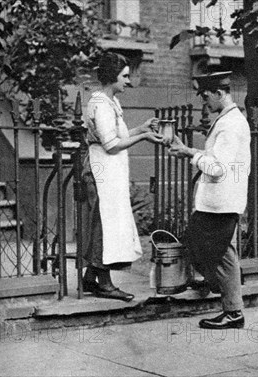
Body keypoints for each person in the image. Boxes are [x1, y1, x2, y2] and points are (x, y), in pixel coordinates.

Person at [168, 71, 251, 329]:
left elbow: (217, 168)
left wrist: (190, 155)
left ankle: (232, 307)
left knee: (218, 252)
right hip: (221, 200)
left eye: (206, 97)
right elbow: (216, 158)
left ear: (219, 93)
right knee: (220, 251)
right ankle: (230, 302)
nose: (205, 102)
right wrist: (190, 151)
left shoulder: (230, 124)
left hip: (222, 201)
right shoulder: (228, 120)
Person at [81, 52, 163, 301]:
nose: (129, 81)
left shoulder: (111, 102)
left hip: (111, 170)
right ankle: (104, 283)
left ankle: (90, 278)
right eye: (125, 76)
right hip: (102, 169)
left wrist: (142, 127)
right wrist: (144, 137)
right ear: (111, 77)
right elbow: (111, 144)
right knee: (105, 225)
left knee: (109, 224)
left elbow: (119, 135)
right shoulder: (101, 104)